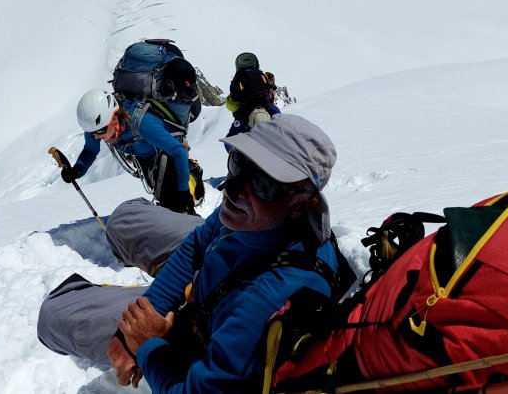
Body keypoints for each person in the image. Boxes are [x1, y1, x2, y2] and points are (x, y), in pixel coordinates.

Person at [106, 114, 345, 392]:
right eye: (237, 163)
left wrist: (148, 346)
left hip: (193, 337)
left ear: (302, 204)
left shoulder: (266, 299)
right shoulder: (255, 212)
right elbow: (197, 243)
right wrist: (149, 310)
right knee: (125, 217)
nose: (232, 187)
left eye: (264, 185)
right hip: (197, 302)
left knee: (57, 314)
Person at [63, 85, 196, 215]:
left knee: (178, 206)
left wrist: (184, 192)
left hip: (169, 153)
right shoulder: (96, 126)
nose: (97, 137)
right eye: (92, 134)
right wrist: (77, 170)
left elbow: (178, 151)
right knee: (166, 203)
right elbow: (90, 150)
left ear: (114, 117)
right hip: (146, 156)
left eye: (100, 131)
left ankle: (196, 221)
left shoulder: (142, 123)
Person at [224, 53, 281, 152]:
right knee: (279, 120)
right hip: (266, 108)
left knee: (230, 139)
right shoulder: (261, 76)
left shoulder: (238, 79)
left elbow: (229, 139)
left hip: (245, 114)